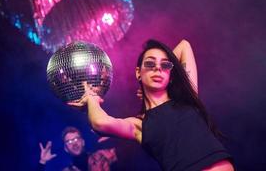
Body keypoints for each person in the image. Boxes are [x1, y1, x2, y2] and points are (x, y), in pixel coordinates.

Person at [69, 39, 235, 171]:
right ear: (138, 72)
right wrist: (92, 98)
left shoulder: (187, 98)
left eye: (165, 65)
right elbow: (99, 123)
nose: (157, 68)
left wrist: (165, 69)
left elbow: (185, 45)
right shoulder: (140, 125)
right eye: (150, 64)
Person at [37, 126, 117, 171]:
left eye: (76, 139)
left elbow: (124, 153)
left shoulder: (100, 156)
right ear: (66, 148)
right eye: (69, 141)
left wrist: (113, 136)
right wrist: (42, 162)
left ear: (83, 142)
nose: (74, 143)